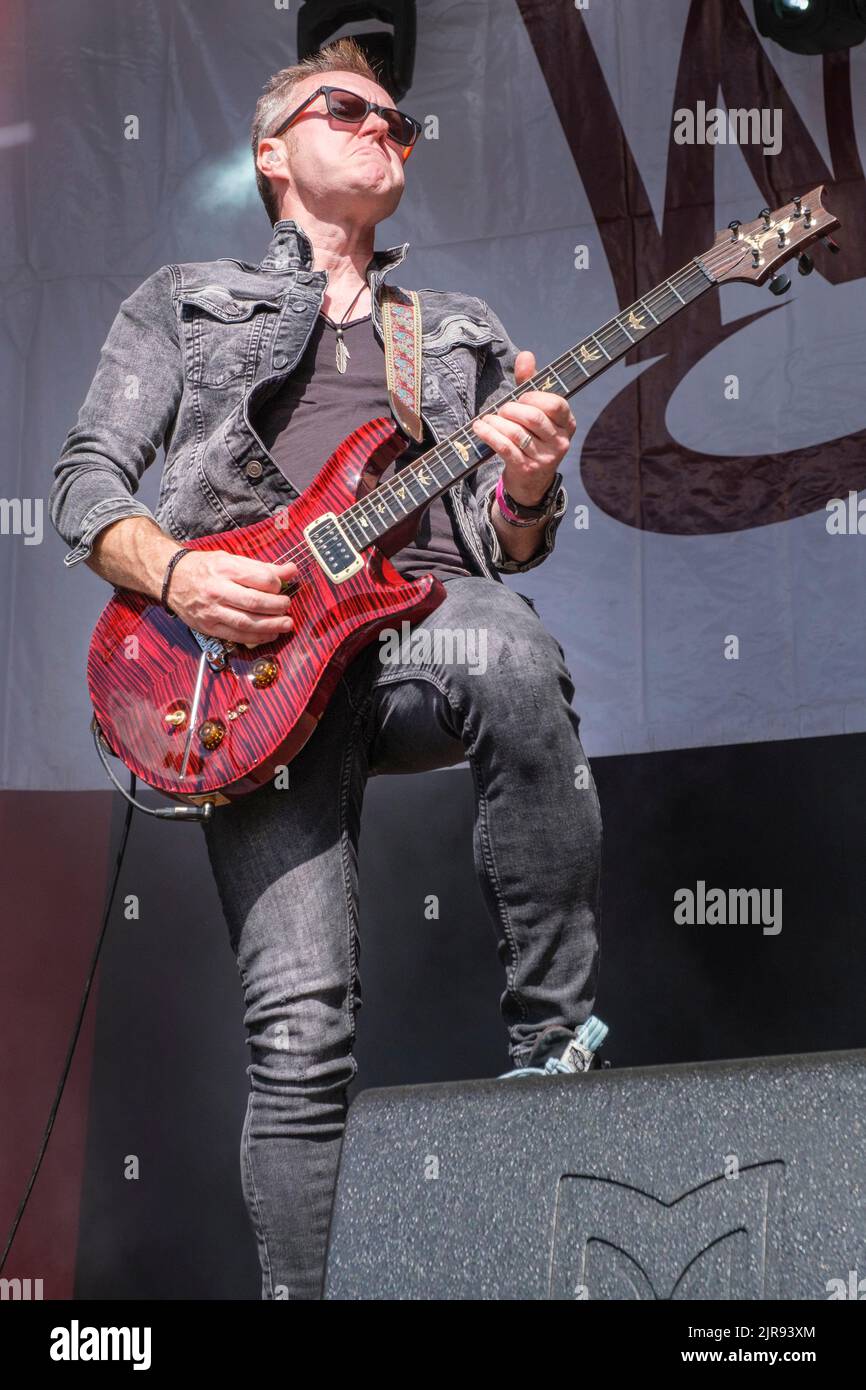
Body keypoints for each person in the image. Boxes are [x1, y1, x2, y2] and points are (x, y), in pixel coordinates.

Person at [49, 37, 603, 1300]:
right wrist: (178, 574)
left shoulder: (452, 330)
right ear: (270, 153)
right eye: (345, 108)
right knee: (299, 1033)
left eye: (397, 122)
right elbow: (84, 486)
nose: (380, 128)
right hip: (231, 674)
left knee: (507, 641)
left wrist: (527, 486)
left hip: (404, 628)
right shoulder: (182, 299)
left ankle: (553, 1039)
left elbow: (492, 548)